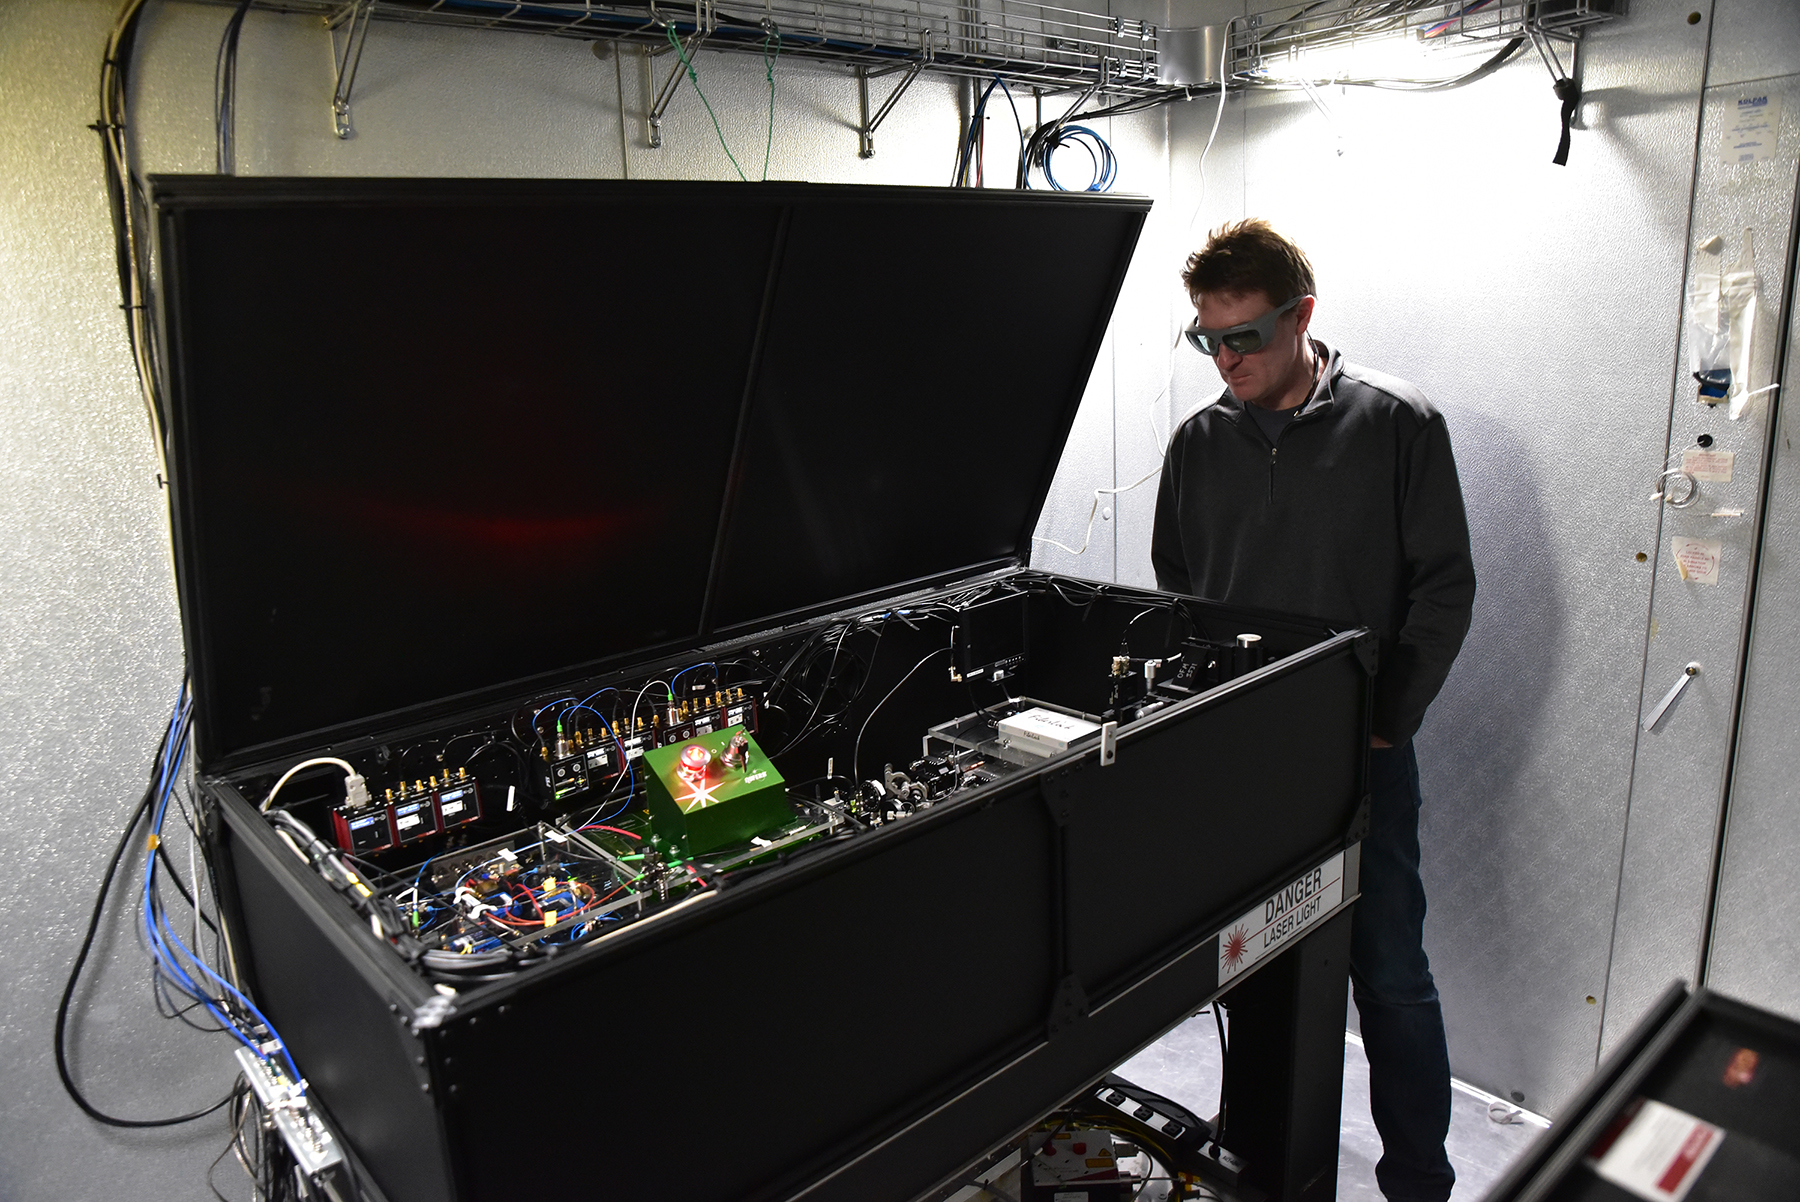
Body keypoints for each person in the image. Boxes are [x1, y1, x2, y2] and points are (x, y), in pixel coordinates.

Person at [1151, 218, 1476, 1202]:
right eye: (1207, 337)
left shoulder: (1395, 423)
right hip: (1249, 764)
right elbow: (1178, 592)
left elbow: (1444, 587)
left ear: (1303, 316)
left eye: (1245, 335)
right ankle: (1253, 1157)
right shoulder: (1198, 445)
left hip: (1362, 756)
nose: (1226, 358)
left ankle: (1418, 1176)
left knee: (1388, 973)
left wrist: (1390, 717)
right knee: (1256, 969)